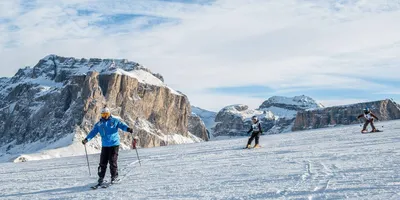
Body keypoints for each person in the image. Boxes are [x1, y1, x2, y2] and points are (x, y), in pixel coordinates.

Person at [82, 107, 133, 184]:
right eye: (103, 114)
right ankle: (101, 177)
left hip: (114, 144)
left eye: (106, 114)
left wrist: (128, 129)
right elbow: (93, 132)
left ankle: (114, 176)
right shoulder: (99, 124)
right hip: (105, 145)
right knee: (103, 162)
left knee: (112, 161)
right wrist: (87, 139)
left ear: (109, 114)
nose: (105, 116)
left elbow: (122, 125)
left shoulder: (114, 121)